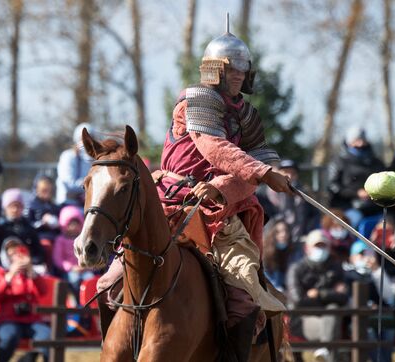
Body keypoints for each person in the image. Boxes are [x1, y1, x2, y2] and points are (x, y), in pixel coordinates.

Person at [97, 24, 292, 362]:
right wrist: (262, 172)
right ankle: (115, 350)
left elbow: (251, 169)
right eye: (231, 69)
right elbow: (213, 147)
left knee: (246, 298)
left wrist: (223, 187)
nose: (238, 75)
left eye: (242, 69)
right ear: (216, 70)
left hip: (220, 219)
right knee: (108, 285)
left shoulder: (247, 116)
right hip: (168, 205)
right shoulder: (196, 101)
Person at [286, 229, 348, 362]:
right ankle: (326, 350)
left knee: (333, 309)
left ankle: (324, 349)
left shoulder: (335, 267)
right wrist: (331, 295)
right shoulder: (296, 269)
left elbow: (344, 297)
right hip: (304, 320)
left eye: (323, 245)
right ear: (307, 248)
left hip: (331, 317)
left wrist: (319, 294)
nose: (320, 249)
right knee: (333, 327)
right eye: (317, 246)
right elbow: (298, 300)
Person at [0, 237, 51, 362]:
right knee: (10, 336)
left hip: (31, 320)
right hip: (7, 319)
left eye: (18, 253)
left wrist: (31, 271)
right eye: (11, 254)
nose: (16, 257)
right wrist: (10, 276)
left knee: (47, 336)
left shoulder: (30, 274)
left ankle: (29, 358)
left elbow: (43, 291)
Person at [343, 241, 395, 362]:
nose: (366, 258)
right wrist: (366, 306)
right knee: (368, 332)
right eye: (361, 254)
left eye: (369, 254)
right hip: (358, 319)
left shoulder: (376, 273)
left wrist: (377, 270)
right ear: (352, 258)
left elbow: (389, 296)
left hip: (379, 316)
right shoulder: (347, 275)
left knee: (390, 328)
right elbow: (347, 298)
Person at [327, 125, 385, 228]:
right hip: (347, 205)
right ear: (349, 141)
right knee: (353, 219)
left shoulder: (376, 162)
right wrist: (356, 193)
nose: (361, 143)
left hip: (374, 206)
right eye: (357, 140)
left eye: (363, 139)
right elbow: (333, 185)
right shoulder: (338, 162)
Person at [0, 188, 45, 272]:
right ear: (5, 208)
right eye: (11, 206)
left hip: (27, 267)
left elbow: (39, 253)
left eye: (18, 206)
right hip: (5, 270)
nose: (15, 209)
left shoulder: (28, 228)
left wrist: (29, 261)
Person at [263, 159, 320, 242]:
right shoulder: (265, 193)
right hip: (271, 239)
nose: (289, 176)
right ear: (278, 173)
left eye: (293, 173)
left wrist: (307, 231)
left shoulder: (305, 193)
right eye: (285, 172)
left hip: (299, 239)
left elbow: (314, 214)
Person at [52, 205, 93, 300]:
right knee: (74, 280)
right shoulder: (60, 240)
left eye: (76, 224)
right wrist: (71, 268)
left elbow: (89, 256)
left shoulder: (84, 240)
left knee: (90, 281)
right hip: (70, 271)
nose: (73, 227)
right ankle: (76, 303)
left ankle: (89, 304)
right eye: (70, 224)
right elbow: (58, 260)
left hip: (84, 269)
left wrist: (86, 267)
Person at [55, 123, 95, 205]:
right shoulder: (68, 156)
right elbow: (69, 184)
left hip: (87, 204)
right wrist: (91, 182)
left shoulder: (94, 159)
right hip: (68, 204)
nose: (87, 141)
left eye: (91, 138)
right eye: (83, 138)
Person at [262, 217, 303, 291]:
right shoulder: (264, 255)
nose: (283, 234)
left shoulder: (294, 251)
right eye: (278, 232)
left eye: (285, 231)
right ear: (271, 234)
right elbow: (267, 279)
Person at [26, 175, 60, 243]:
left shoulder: (54, 207)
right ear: (36, 189)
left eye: (50, 191)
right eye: (44, 190)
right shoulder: (31, 206)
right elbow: (27, 226)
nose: (47, 194)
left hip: (55, 239)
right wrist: (42, 223)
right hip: (38, 239)